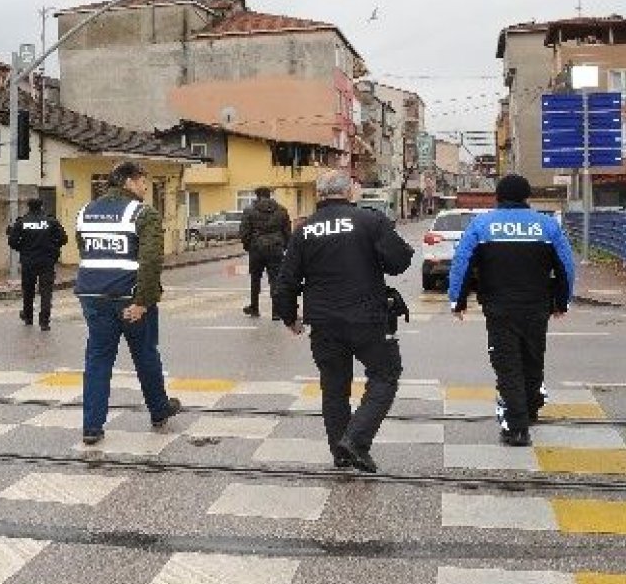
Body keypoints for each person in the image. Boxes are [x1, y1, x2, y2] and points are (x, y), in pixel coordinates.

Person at [274, 170, 414, 473]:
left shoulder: (305, 229)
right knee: (386, 374)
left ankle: (341, 452)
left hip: (324, 323)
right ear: (349, 191)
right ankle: (355, 441)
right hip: (368, 319)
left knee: (334, 387)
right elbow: (400, 261)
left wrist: (289, 317)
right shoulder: (369, 220)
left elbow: (285, 281)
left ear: (319, 194)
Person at [447, 173, 575, 447]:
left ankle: (516, 429)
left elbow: (462, 262)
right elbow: (566, 265)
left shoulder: (482, 225)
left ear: (498, 196)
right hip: (536, 307)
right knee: (532, 359)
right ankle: (529, 410)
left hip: (499, 309)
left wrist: (457, 300)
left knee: (507, 366)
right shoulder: (546, 225)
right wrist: (562, 301)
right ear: (527, 196)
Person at [73, 161, 181, 445]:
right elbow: (151, 260)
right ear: (129, 182)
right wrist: (143, 301)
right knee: (145, 355)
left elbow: (85, 250)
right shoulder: (143, 213)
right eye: (143, 181)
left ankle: (92, 427)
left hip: (93, 297)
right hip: (129, 299)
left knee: (97, 360)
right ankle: (159, 411)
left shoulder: (85, 211)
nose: (146, 187)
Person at [6, 198, 68, 331]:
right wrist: (53, 247)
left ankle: (28, 317)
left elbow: (12, 242)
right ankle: (44, 322)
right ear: (42, 206)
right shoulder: (51, 221)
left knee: (28, 290)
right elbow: (63, 239)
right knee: (46, 292)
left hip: (28, 261)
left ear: (28, 207)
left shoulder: (21, 222)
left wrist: (23, 249)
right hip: (47, 261)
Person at [238, 186, 292, 319]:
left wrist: (248, 246)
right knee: (275, 279)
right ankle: (276, 312)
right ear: (269, 195)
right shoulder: (281, 210)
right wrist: (284, 246)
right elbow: (287, 231)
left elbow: (244, 232)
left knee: (255, 278)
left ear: (257, 196)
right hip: (276, 248)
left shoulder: (249, 210)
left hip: (256, 248)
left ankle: (254, 307)